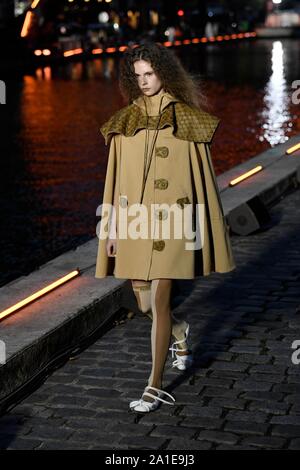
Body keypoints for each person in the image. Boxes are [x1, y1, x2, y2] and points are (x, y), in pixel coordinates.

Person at [95, 42, 236, 413]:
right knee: (143, 301)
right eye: (137, 75)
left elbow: (201, 179)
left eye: (150, 74)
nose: (144, 81)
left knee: (158, 300)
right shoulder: (125, 120)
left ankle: (154, 387)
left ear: (164, 73)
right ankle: (180, 332)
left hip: (174, 224)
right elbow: (115, 182)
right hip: (136, 225)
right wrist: (111, 229)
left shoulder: (186, 118)